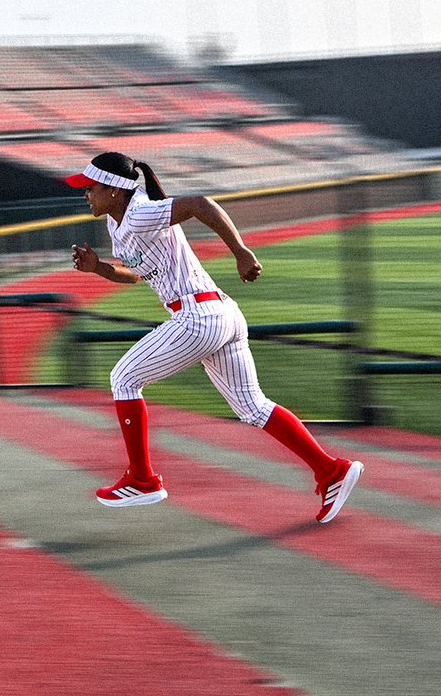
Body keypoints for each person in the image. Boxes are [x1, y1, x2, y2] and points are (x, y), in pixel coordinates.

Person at [66, 151, 362, 523]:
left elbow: (200, 204)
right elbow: (136, 274)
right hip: (219, 315)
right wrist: (99, 269)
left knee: (123, 378)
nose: (85, 194)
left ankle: (142, 480)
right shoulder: (118, 223)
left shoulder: (140, 212)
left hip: (198, 317)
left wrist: (241, 252)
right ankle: (330, 470)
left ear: (114, 189)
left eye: (90, 187)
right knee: (253, 407)